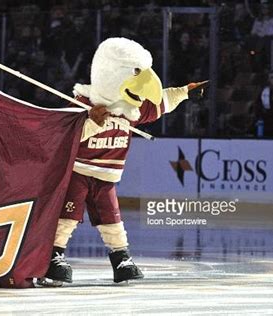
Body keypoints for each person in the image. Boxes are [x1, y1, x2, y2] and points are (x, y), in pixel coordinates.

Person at [38, 37, 205, 286]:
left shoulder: (131, 109)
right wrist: (90, 122)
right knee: (67, 217)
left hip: (106, 177)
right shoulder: (83, 103)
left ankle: (121, 257)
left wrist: (184, 92)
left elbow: (162, 102)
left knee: (112, 218)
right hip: (78, 170)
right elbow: (64, 135)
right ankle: (53, 256)